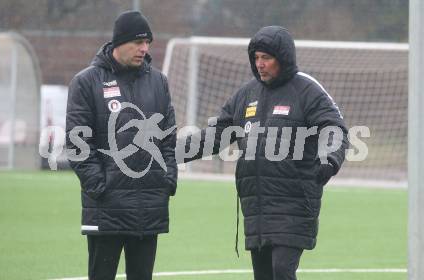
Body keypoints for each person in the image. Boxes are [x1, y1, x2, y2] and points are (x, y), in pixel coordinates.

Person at [180, 26, 349, 280]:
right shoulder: (246, 94)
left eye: (266, 58)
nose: (260, 64)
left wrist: (329, 158)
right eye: (256, 58)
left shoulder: (306, 90)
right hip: (256, 206)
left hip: (293, 202)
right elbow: (217, 135)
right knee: (265, 275)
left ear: (283, 58)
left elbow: (334, 128)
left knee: (281, 271)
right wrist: (168, 153)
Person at [65, 10, 177, 280]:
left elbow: (168, 139)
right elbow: (78, 143)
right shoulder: (86, 82)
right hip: (107, 208)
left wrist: (167, 178)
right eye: (138, 42)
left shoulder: (158, 82)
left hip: (148, 206)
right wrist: (100, 187)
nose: (144, 49)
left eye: (147, 42)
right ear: (119, 43)